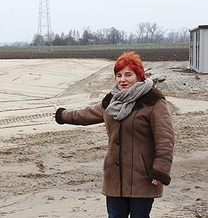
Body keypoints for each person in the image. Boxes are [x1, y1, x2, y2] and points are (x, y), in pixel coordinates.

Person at [54, 51, 174, 218]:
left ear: (139, 76)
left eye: (128, 74)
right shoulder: (112, 101)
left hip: (142, 176)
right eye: (118, 75)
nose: (122, 79)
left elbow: (165, 139)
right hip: (114, 177)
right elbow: (87, 114)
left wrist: (160, 170)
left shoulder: (153, 101)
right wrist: (63, 115)